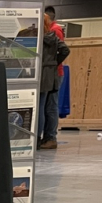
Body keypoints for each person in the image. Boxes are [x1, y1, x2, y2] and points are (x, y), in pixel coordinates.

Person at [38, 12, 69, 150]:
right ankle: (48, 137)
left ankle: (44, 137)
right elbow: (65, 50)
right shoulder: (53, 35)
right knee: (48, 107)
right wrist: (53, 63)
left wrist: (53, 63)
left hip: (47, 74)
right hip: (51, 75)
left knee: (44, 107)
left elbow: (65, 50)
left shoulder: (46, 35)